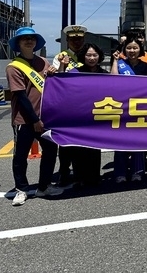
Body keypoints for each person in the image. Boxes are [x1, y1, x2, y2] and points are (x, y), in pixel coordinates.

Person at [6, 27, 63, 206]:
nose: (29, 41)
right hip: (25, 119)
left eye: (31, 38)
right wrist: (34, 120)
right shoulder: (13, 67)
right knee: (21, 155)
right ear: (18, 43)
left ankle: (44, 186)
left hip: (46, 116)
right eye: (24, 39)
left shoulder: (43, 62)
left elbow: (51, 84)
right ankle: (21, 189)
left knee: (51, 151)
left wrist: (55, 71)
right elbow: (21, 96)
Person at [58, 42, 107, 186]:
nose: (92, 58)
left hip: (97, 116)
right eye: (88, 55)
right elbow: (60, 81)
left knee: (94, 148)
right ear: (83, 56)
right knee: (79, 148)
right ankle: (79, 177)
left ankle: (93, 177)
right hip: (80, 116)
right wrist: (62, 65)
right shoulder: (76, 72)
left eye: (95, 55)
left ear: (99, 56)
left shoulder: (104, 74)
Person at [111, 34, 147, 183]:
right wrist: (115, 61)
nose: (132, 50)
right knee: (121, 140)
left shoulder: (146, 66)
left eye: (135, 47)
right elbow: (113, 79)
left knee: (139, 140)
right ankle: (120, 172)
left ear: (140, 49)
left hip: (140, 107)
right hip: (122, 107)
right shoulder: (120, 63)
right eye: (129, 47)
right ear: (124, 49)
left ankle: (137, 171)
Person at [53, 24, 87, 186]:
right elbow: (57, 80)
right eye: (73, 39)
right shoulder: (61, 56)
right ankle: (64, 172)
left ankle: (81, 173)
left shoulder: (88, 54)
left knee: (83, 141)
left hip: (86, 104)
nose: (77, 42)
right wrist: (63, 66)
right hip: (68, 106)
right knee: (66, 142)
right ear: (67, 40)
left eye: (79, 39)